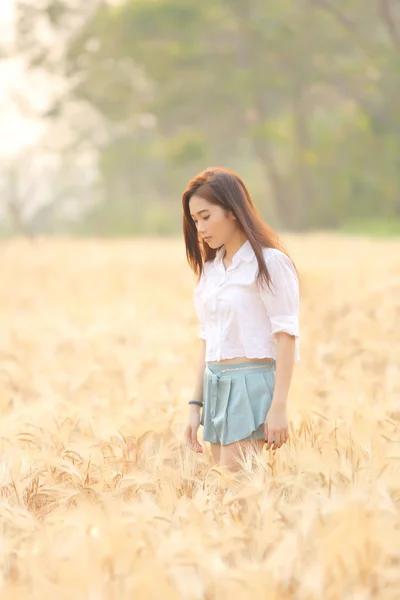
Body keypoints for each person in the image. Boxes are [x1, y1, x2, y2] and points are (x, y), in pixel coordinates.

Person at [182, 167, 300, 472]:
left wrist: (279, 406)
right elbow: (207, 341)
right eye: (195, 220)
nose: (200, 228)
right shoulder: (212, 271)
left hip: (250, 386)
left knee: (236, 489)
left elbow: (286, 336)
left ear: (233, 211)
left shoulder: (270, 263)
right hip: (215, 386)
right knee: (226, 502)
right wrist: (196, 406)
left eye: (206, 217)